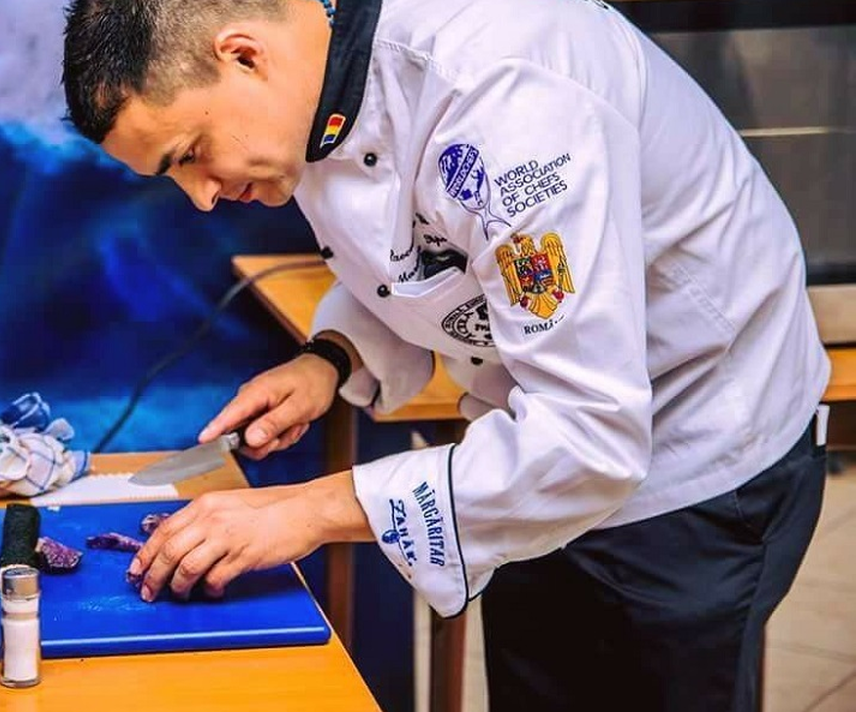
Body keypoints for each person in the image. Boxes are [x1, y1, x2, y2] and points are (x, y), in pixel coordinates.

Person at [60, 0, 831, 709]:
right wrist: (331, 358)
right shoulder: (311, 81)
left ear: (244, 55)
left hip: (694, 440)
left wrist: (307, 510)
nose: (201, 196)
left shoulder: (507, 96)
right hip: (528, 439)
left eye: (191, 154)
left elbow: (590, 432)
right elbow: (434, 252)